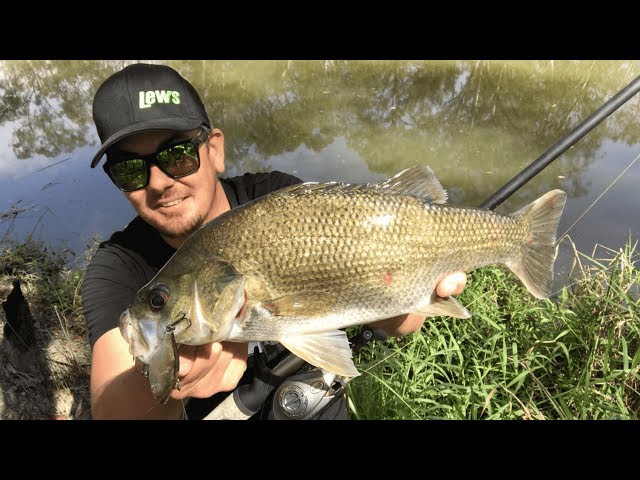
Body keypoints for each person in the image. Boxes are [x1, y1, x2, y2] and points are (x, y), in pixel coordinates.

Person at [81, 62, 468, 420]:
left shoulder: (277, 198)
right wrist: (167, 379)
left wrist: (402, 293)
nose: (159, 181)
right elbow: (112, 406)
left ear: (214, 149)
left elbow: (405, 322)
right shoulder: (119, 264)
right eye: (130, 169)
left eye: (178, 155)